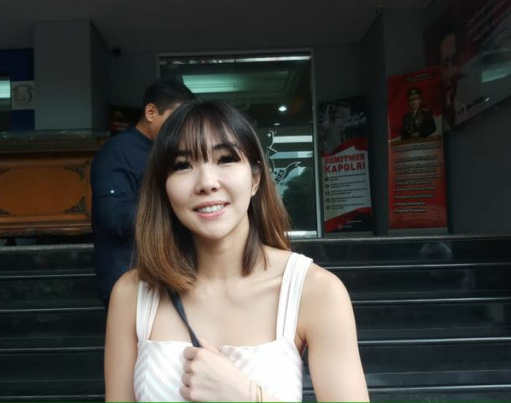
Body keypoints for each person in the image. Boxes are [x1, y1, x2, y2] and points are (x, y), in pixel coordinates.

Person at [104, 101, 369, 401]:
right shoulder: (132, 294)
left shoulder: (316, 291)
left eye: (225, 159)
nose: (206, 183)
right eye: (183, 165)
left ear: (255, 178)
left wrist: (245, 395)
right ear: (164, 187)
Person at [91, 79, 194, 308]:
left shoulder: (169, 151)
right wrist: (178, 206)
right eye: (175, 121)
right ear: (151, 112)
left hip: (169, 275)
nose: (181, 130)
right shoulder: (117, 152)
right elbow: (115, 218)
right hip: (129, 278)